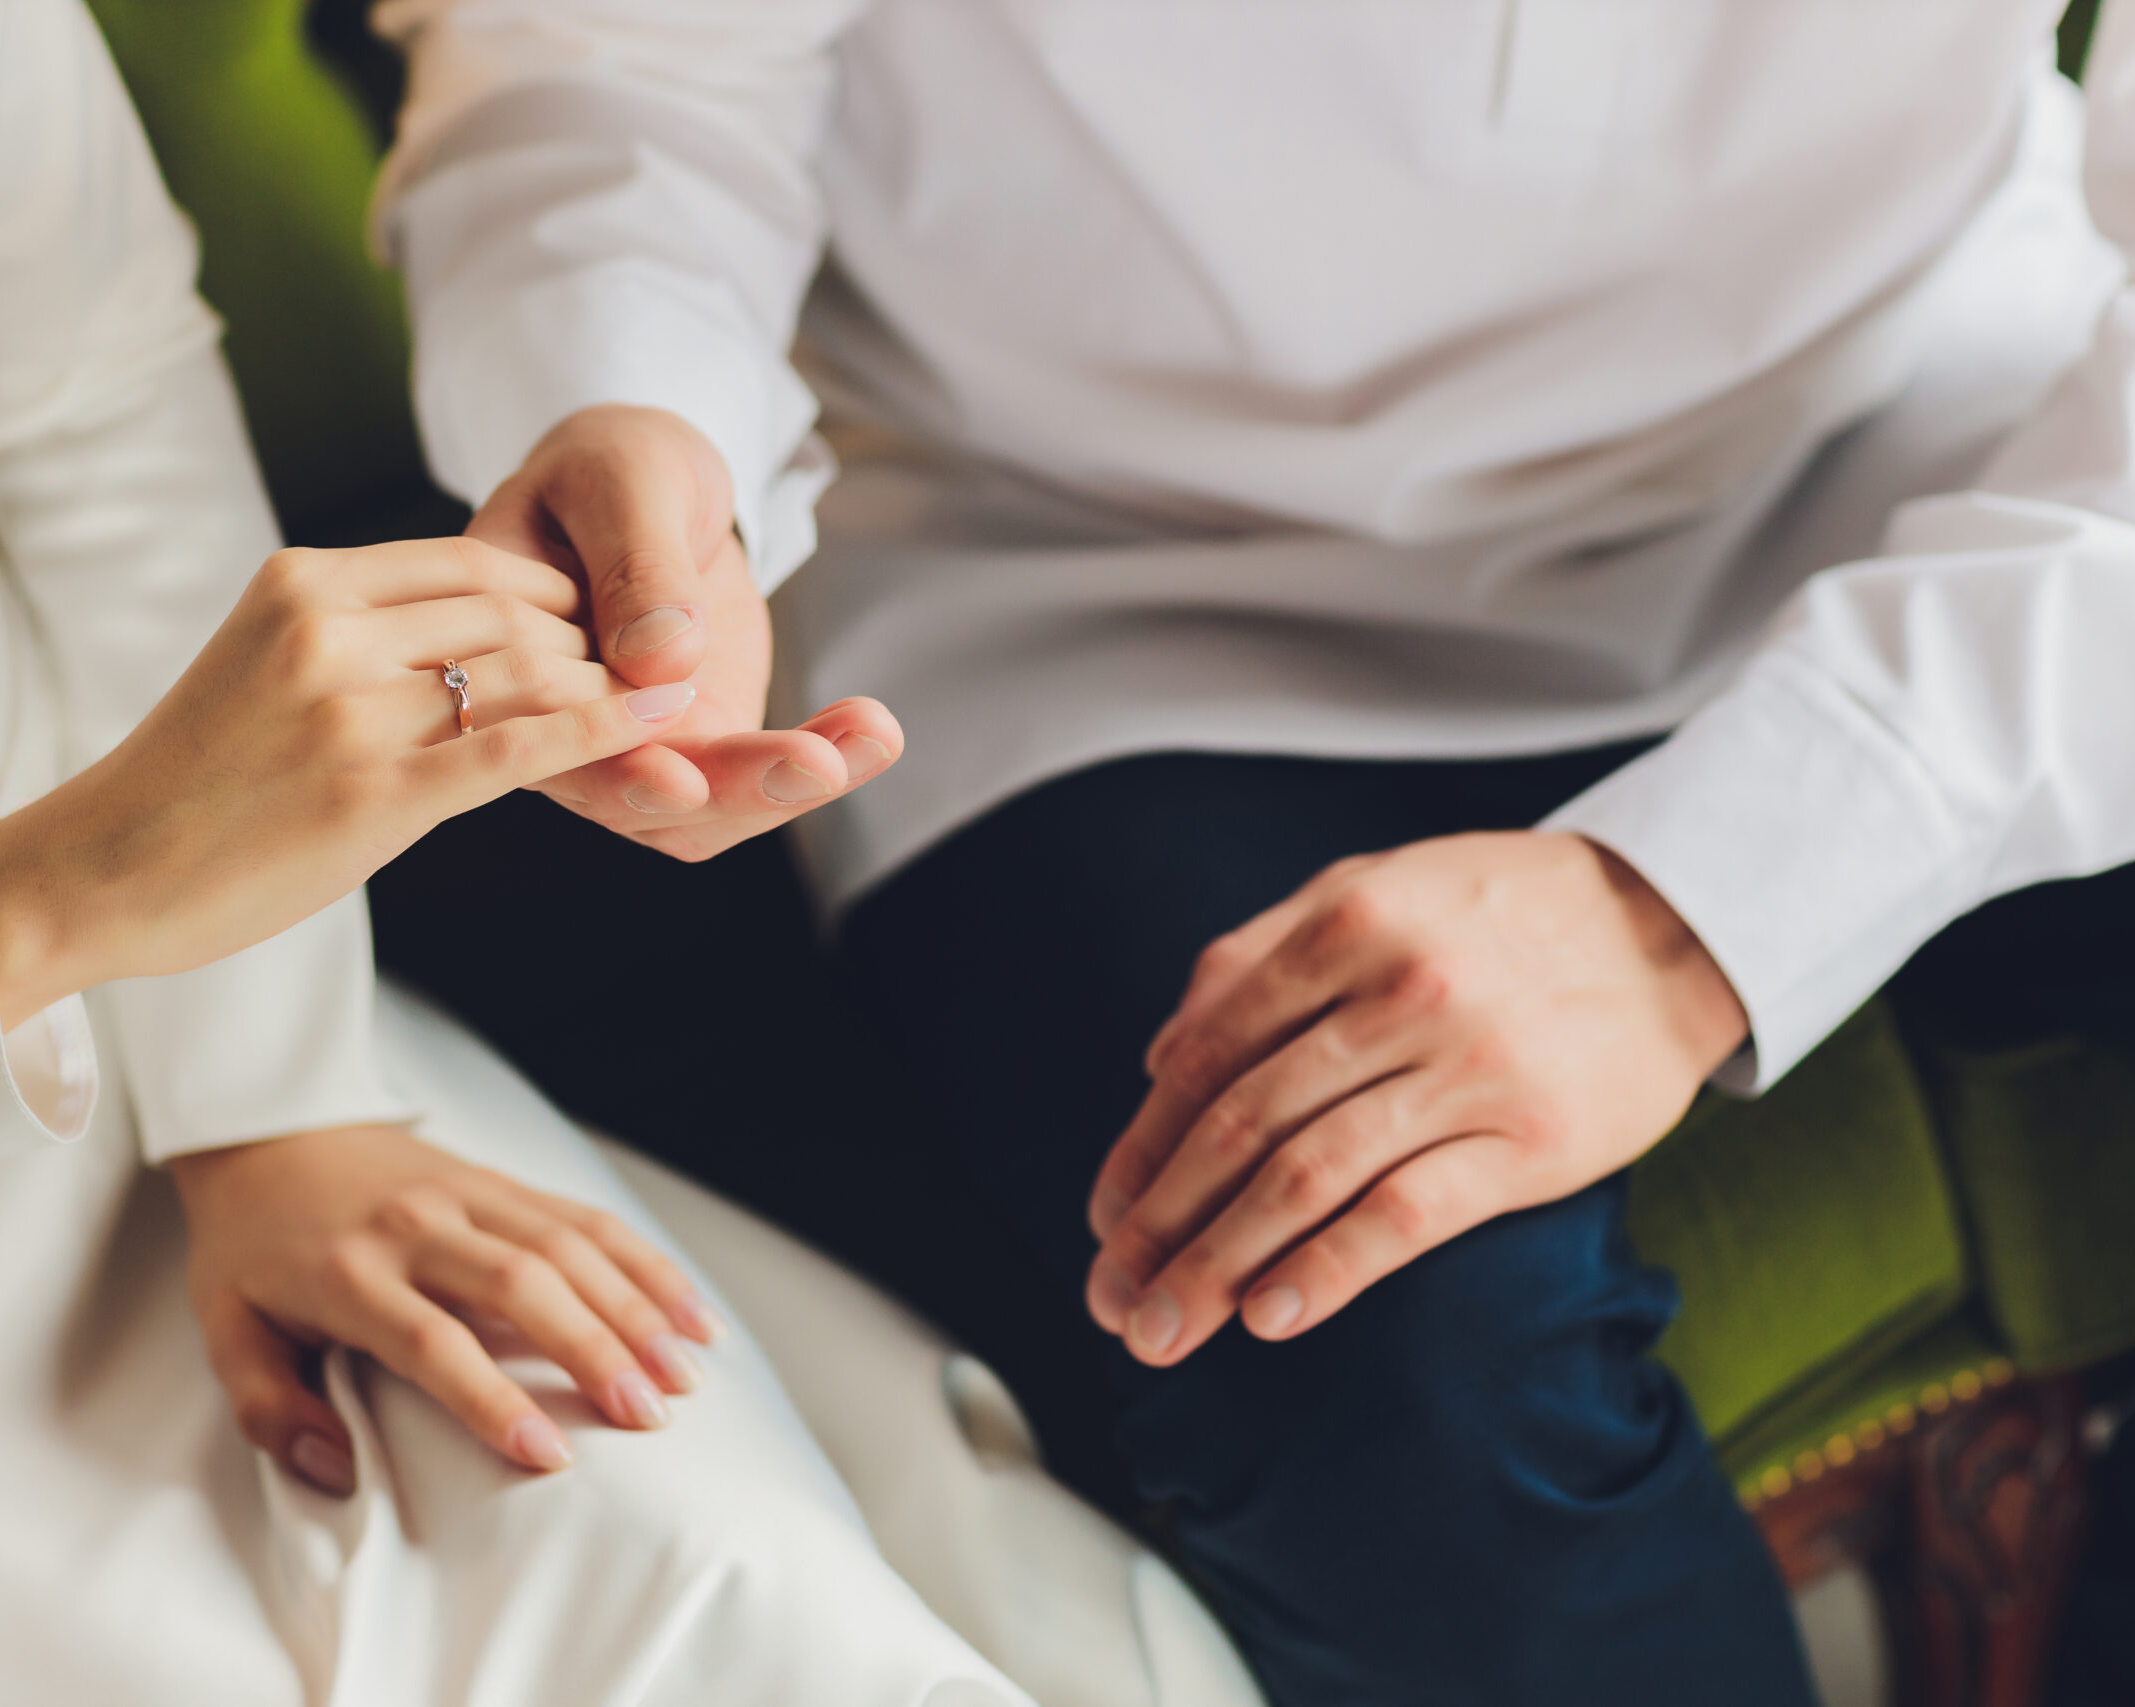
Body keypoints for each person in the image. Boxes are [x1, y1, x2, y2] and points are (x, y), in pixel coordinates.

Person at [361, 2, 2135, 1702]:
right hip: (1092, 574)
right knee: (1368, 1372)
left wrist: (1696, 907)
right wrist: (643, 412)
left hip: (1939, 455)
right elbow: (625, 53)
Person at [0, 3, 1036, 1702]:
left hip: (141, 1072)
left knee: (720, 1593)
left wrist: (270, 1099)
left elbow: (93, 394)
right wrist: (47, 905)